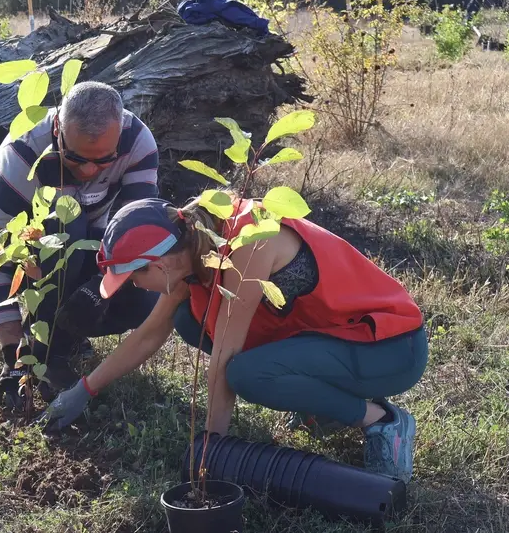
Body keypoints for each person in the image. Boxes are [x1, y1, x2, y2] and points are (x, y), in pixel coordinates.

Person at [40, 196, 428, 483]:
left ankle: (382, 421)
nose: (136, 287)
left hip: (389, 346)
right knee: (189, 320)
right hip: (333, 339)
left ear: (161, 264)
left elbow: (226, 353)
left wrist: (212, 450)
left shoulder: (248, 242)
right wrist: (84, 390)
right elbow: (148, 335)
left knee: (246, 374)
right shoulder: (191, 246)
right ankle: (324, 407)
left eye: (135, 278)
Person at [0, 81, 160, 407]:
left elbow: (139, 230)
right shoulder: (21, 154)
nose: (90, 170)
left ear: (119, 135)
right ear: (59, 128)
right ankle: (41, 346)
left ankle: (63, 340)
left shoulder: (137, 142)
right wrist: (12, 352)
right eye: (75, 158)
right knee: (66, 220)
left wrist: (100, 288)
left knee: (146, 301)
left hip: (98, 248)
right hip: (39, 255)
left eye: (104, 160)